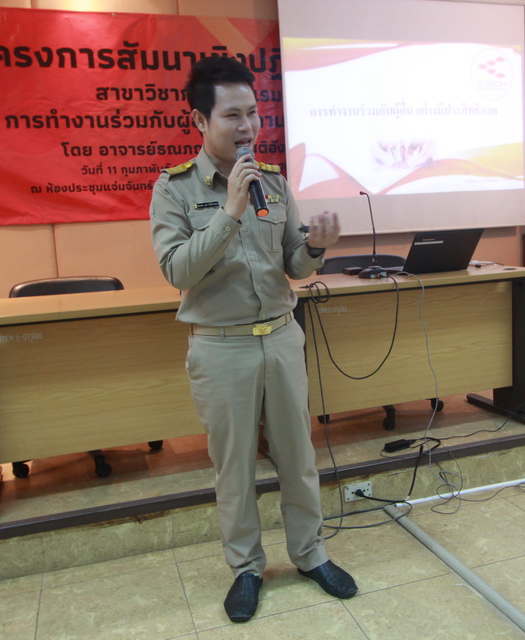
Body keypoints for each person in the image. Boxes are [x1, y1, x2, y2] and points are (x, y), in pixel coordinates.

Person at [149, 56, 357, 623]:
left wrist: (316, 246)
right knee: (235, 468)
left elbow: (293, 265)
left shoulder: (275, 183)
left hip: (282, 339)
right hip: (221, 347)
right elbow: (176, 270)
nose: (247, 127)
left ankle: (311, 555)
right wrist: (229, 212)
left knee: (298, 457)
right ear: (200, 121)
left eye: (253, 113)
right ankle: (246, 568)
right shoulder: (174, 189)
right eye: (232, 115)